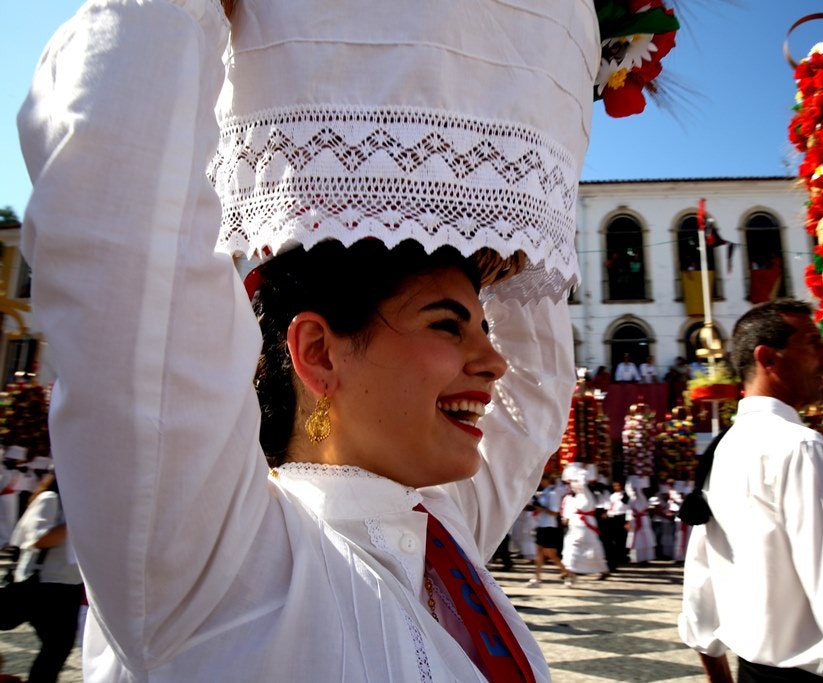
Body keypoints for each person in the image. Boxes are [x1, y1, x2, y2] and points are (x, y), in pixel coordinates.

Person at [19, 1, 594, 680]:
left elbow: (536, 388)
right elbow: (123, 225)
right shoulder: (218, 565)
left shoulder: (443, 527)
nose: (495, 361)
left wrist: (528, 107)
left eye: (484, 324)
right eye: (448, 324)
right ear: (318, 351)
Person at [679, 299, 823, 682]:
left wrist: (712, 660)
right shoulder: (799, 446)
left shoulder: (722, 448)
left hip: (755, 671)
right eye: (812, 343)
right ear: (768, 359)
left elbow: (700, 576)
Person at [9, 474, 83, 683]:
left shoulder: (77, 505)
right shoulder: (50, 499)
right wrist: (80, 524)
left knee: (58, 647)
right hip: (45, 584)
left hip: (68, 584)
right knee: (57, 645)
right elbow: (38, 539)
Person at [559, 476, 609, 583]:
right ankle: (569, 571)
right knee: (571, 546)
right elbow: (570, 509)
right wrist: (566, 518)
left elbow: (582, 483)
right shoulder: (574, 497)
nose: (573, 486)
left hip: (587, 525)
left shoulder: (588, 496)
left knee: (594, 547)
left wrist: (573, 478)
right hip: (576, 524)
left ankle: (603, 569)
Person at [528, 473, 571, 587]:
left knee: (550, 554)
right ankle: (537, 576)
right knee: (539, 552)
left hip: (550, 526)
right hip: (541, 525)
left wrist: (540, 509)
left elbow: (554, 512)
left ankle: (567, 573)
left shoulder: (553, 493)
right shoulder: (544, 493)